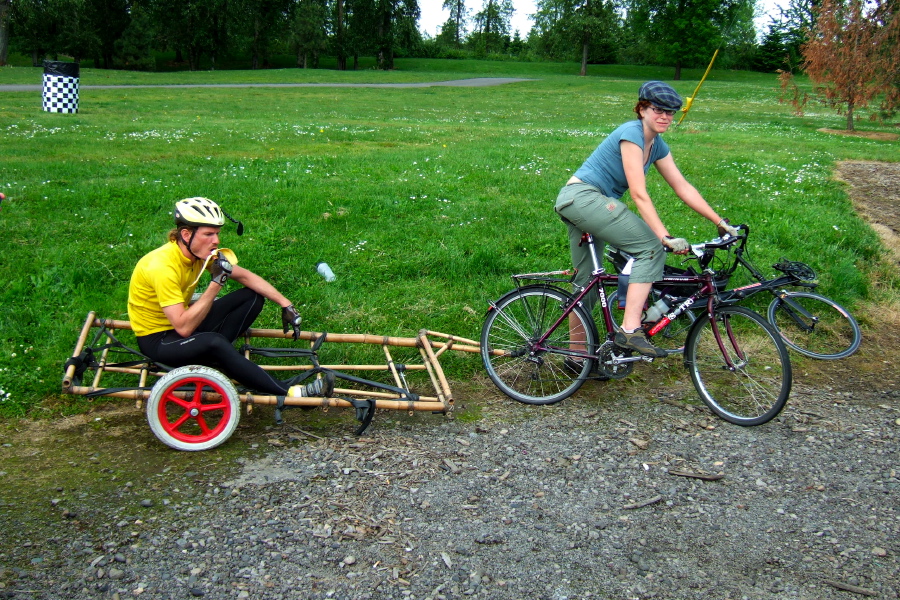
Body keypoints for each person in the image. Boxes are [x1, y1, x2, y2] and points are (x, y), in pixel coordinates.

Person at [554, 81, 738, 358]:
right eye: (658, 110)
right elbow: (639, 193)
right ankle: (629, 331)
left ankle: (576, 356)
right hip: (582, 198)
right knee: (649, 248)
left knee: (586, 284)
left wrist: (719, 221)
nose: (665, 116)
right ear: (642, 109)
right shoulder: (632, 134)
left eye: (671, 112)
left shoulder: (657, 144)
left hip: (586, 203)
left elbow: (682, 186)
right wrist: (663, 236)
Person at [127, 197, 334, 397]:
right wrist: (216, 283)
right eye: (208, 234)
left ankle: (216, 359)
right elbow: (183, 328)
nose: (216, 240)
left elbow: (245, 276)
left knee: (252, 297)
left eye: (217, 233)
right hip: (160, 340)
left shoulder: (198, 254)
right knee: (214, 342)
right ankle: (291, 393)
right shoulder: (162, 267)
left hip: (183, 327)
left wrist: (286, 304)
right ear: (186, 234)